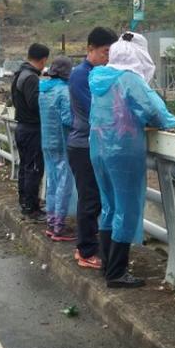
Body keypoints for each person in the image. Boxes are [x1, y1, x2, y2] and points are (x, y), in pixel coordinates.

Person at [89, 31, 175, 287]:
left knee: (108, 206)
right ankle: (117, 273)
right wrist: (173, 123)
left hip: (98, 147)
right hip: (123, 150)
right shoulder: (130, 80)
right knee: (126, 208)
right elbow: (154, 111)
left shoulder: (98, 77)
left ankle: (107, 266)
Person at [67, 27, 118, 270]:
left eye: (111, 53)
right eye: (105, 52)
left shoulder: (103, 73)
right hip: (82, 145)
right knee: (90, 199)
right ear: (90, 49)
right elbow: (96, 111)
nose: (108, 57)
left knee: (97, 198)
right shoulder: (80, 75)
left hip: (96, 144)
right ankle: (86, 250)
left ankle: (87, 246)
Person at [39, 56, 76, 241]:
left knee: (51, 182)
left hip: (46, 141)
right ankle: (59, 227)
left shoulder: (43, 90)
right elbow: (68, 119)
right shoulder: (64, 91)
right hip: (62, 142)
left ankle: (51, 220)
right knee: (64, 183)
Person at [11, 43, 50, 218]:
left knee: (25, 167)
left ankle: (24, 202)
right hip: (32, 129)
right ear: (43, 60)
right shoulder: (31, 78)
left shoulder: (19, 74)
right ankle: (32, 208)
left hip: (22, 127)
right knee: (34, 169)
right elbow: (35, 105)